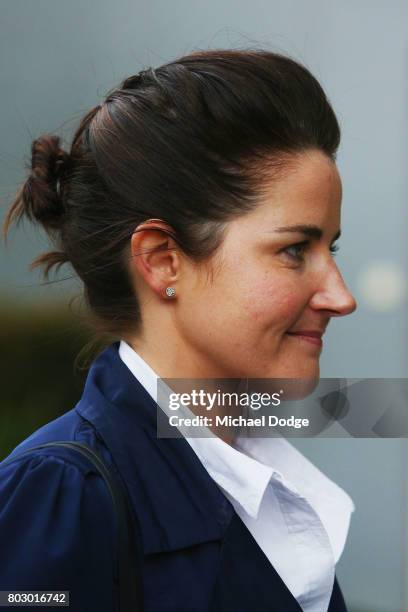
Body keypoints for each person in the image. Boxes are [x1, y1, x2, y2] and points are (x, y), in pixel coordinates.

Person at [0, 49, 357, 611]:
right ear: (163, 260)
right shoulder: (61, 498)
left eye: (329, 249)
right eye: (294, 250)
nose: (341, 297)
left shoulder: (259, 480)